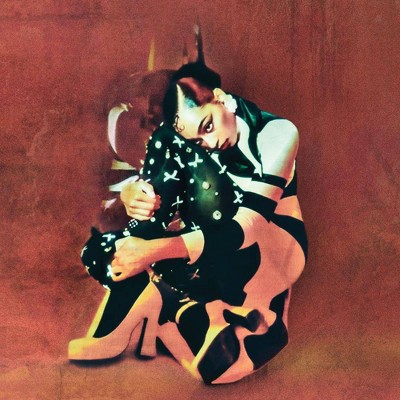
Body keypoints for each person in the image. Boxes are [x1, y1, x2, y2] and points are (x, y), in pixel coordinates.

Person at [69, 64, 307, 384]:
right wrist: (135, 196)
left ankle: (178, 304)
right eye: (198, 139)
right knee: (107, 247)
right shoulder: (186, 141)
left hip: (270, 249)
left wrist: (155, 250)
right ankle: (178, 308)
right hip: (212, 252)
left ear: (219, 98)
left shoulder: (277, 132)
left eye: (208, 126)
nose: (209, 141)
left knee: (218, 368)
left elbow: (249, 224)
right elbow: (165, 200)